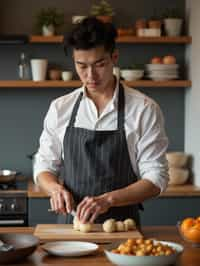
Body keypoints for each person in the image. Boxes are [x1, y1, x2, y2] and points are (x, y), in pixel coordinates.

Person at [34, 17, 169, 225]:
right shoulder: (60, 108)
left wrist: (108, 199)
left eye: (99, 64)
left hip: (123, 228)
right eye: (82, 66)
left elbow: (156, 179)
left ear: (114, 57)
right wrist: (55, 188)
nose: (90, 76)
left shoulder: (144, 109)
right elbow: (43, 165)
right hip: (72, 227)